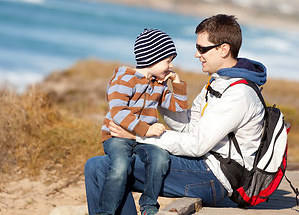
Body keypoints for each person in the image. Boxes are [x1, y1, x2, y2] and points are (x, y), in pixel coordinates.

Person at [85, 14, 267, 215]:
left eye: (202, 48)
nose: (197, 54)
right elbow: (189, 127)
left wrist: (138, 135)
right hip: (202, 165)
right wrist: (154, 93)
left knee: (99, 167)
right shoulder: (218, 82)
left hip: (214, 177)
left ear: (224, 49)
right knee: (101, 165)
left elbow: (197, 145)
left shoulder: (238, 93)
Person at [97, 28, 188, 215]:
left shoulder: (158, 86)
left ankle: (148, 205)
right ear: (152, 58)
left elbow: (179, 108)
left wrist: (176, 83)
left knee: (161, 158)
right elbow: (118, 112)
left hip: (142, 140)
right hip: (116, 137)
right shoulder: (124, 79)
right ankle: (106, 211)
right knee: (121, 166)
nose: (170, 66)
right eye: (168, 61)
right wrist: (145, 130)